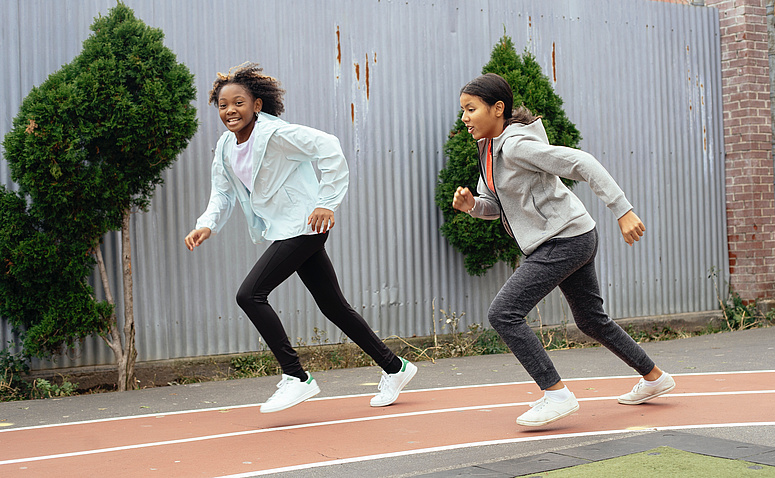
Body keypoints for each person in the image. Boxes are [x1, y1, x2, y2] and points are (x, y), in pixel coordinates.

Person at [185, 63, 416, 413]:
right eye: (222, 104)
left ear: (257, 106)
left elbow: (329, 146)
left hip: (304, 226)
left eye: (238, 103)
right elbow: (222, 193)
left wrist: (327, 202)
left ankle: (297, 377)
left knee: (250, 294)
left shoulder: (276, 135)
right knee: (333, 306)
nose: (230, 110)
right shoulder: (225, 148)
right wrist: (207, 224)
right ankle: (395, 367)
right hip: (284, 228)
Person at [452, 73, 675, 427]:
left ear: (497, 109)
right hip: (573, 235)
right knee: (590, 319)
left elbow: (582, 163)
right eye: (462, 109)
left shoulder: (516, 146)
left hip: (563, 239)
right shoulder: (488, 152)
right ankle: (655, 377)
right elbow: (495, 205)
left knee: (504, 313)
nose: (463, 117)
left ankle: (556, 394)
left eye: (470, 108)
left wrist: (623, 209)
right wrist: (472, 206)